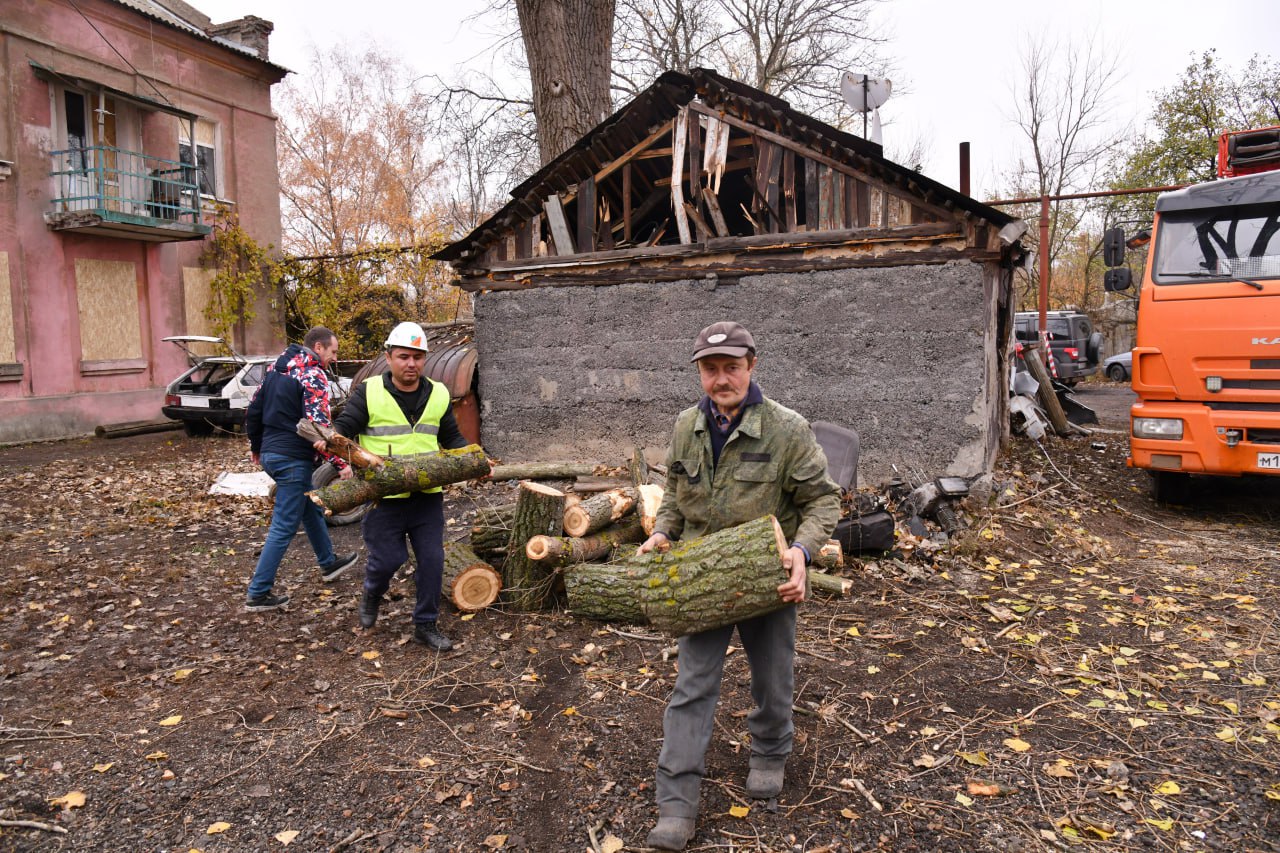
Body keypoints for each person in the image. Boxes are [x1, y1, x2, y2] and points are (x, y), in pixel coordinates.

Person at [637, 321, 841, 851]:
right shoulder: (687, 426)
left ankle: (770, 751)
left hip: (765, 579)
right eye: (711, 369)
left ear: (752, 366)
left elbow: (823, 500)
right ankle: (676, 802)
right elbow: (677, 495)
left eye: (731, 367)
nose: (721, 379)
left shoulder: (786, 429)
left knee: (772, 679)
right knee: (692, 687)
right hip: (703, 575)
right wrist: (662, 533)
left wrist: (800, 551)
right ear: (700, 373)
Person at [332, 321, 469, 651]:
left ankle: (425, 624)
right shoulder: (370, 392)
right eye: (404, 357)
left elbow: (451, 437)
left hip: (427, 497)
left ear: (425, 360)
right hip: (384, 498)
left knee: (433, 561)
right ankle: (372, 592)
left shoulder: (437, 392)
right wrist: (336, 449)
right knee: (388, 560)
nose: (411, 364)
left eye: (418, 357)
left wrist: (474, 461)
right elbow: (344, 428)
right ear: (389, 357)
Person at [244, 327, 358, 612]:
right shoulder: (312, 374)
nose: (333, 358)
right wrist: (341, 463)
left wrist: (257, 446)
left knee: (310, 507)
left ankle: (328, 562)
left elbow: (254, 409)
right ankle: (258, 593)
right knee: (283, 526)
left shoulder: (276, 369)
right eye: (333, 352)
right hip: (292, 456)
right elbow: (318, 425)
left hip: (272, 453)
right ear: (318, 348)